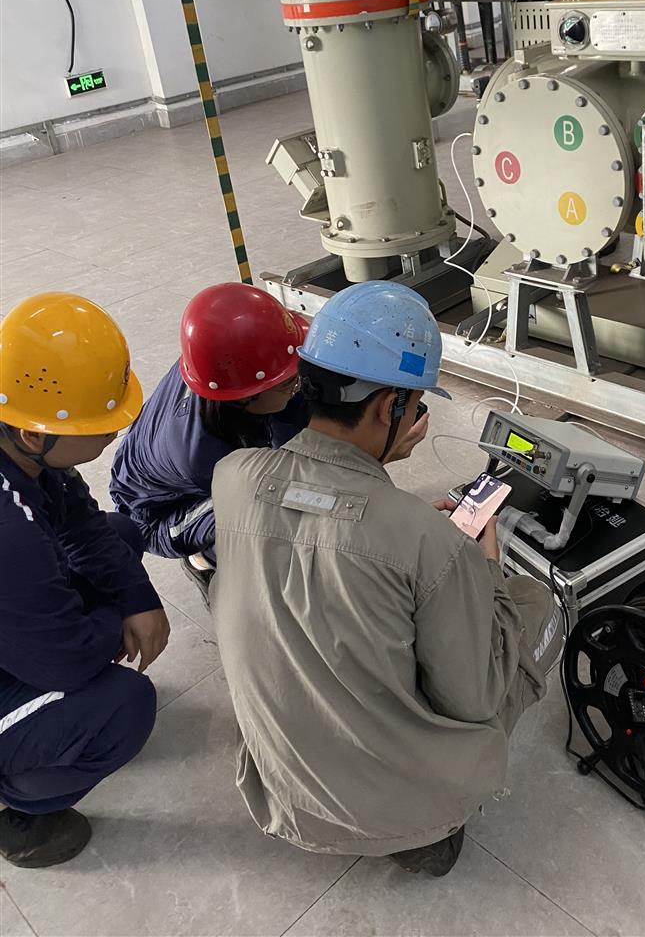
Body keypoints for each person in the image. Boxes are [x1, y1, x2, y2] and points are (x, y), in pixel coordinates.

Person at [211, 282, 563, 876]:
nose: (418, 419)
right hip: (392, 813)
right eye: (417, 406)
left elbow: (315, 519)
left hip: (282, 791)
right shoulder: (430, 543)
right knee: (536, 604)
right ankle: (422, 828)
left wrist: (399, 528)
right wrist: (482, 569)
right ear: (386, 408)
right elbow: (473, 698)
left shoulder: (232, 477)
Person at [109, 283, 429, 606]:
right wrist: (375, 454)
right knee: (274, 518)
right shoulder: (204, 455)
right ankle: (204, 559)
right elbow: (306, 502)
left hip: (184, 448)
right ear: (246, 397)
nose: (299, 384)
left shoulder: (223, 359)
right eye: (290, 382)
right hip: (159, 513)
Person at [0, 293, 169, 868]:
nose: (114, 435)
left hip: (15, 611)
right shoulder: (9, 534)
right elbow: (66, 660)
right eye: (101, 427)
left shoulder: (23, 448)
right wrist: (113, 625)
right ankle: (18, 803)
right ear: (35, 435)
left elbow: (84, 525)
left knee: (118, 537)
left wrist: (138, 599)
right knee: (124, 708)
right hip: (27, 633)